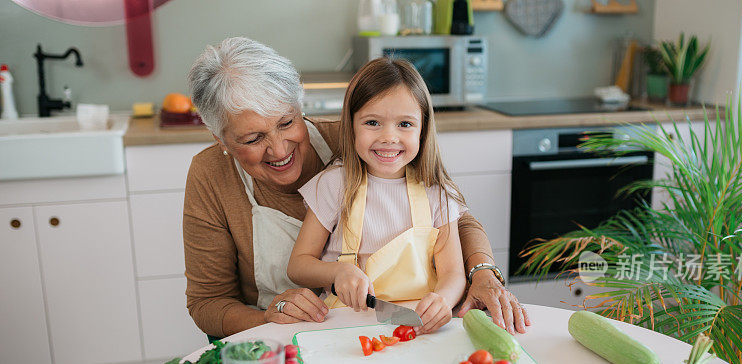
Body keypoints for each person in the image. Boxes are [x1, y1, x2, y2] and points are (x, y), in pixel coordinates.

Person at [184, 37, 530, 339]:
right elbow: (207, 303)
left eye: (288, 122)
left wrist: (481, 271)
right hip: (280, 334)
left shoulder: (360, 144)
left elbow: (457, 221)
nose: (278, 148)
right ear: (221, 138)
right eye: (253, 138)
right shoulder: (212, 175)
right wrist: (267, 319)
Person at [287, 58, 466, 334]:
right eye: (373, 122)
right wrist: (336, 272)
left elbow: (453, 273)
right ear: (351, 125)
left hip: (416, 327)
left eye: (405, 124)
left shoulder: (437, 194)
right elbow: (298, 265)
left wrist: (443, 300)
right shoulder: (333, 185)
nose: (389, 137)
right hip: (345, 328)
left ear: (423, 129)